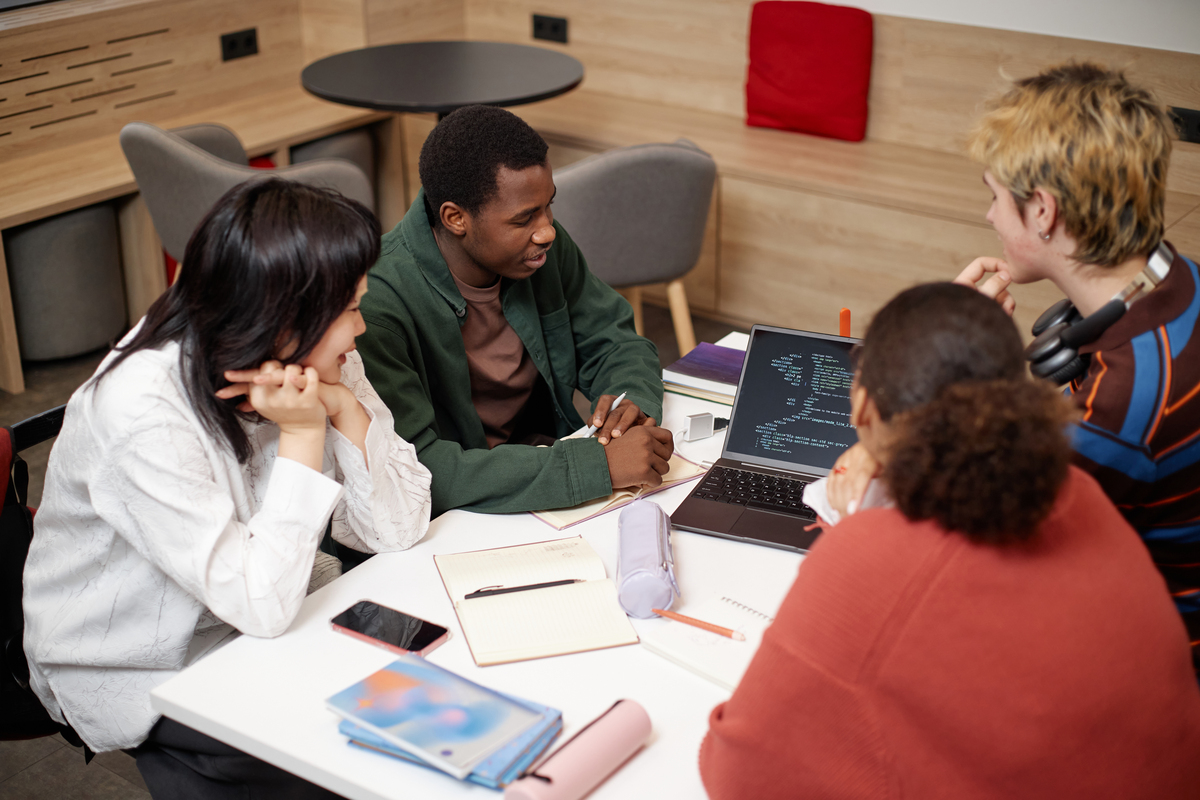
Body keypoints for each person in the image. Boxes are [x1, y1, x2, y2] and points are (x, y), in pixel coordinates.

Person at [699, 283, 1200, 800]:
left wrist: (853, 534)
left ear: (863, 407)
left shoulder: (869, 558)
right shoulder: (1081, 492)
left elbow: (737, 774)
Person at [23, 178, 432, 798]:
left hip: (266, 607)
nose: (360, 331)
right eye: (349, 311)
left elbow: (397, 532)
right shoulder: (142, 409)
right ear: (281, 318)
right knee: (350, 757)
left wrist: (347, 411)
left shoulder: (317, 355)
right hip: (144, 660)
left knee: (418, 710)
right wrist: (301, 435)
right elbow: (259, 606)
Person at [954, 62, 1200, 672]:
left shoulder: (1121, 405)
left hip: (1149, 671)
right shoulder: (1182, 280)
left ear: (1042, 211)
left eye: (994, 196)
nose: (989, 216)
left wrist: (958, 365)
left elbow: (987, 553)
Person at [355, 105, 673, 516]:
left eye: (548, 206)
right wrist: (596, 466)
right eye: (524, 219)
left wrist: (632, 399)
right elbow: (419, 467)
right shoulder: (374, 304)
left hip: (540, 466)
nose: (547, 230)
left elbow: (615, 340)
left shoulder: (538, 252)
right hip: (455, 515)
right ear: (455, 218)